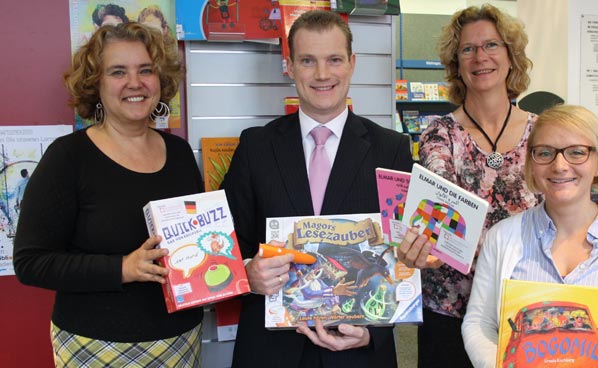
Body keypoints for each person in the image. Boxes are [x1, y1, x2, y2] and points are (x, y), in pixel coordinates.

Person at [220, 10, 412, 368]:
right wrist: (248, 272)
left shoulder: (392, 150)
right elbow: (227, 241)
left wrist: (374, 333)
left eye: (334, 60)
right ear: (289, 66)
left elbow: (404, 256)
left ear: (352, 64)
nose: (322, 74)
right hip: (271, 350)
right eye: (308, 61)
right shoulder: (256, 146)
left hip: (358, 350)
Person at [13, 23, 204, 367]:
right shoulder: (69, 157)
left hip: (180, 341)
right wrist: (122, 268)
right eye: (118, 72)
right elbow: (31, 263)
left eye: (146, 70)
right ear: (96, 84)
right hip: (95, 344)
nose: (135, 82)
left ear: (160, 79)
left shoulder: (179, 153)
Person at [462, 105, 598, 367]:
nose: (559, 165)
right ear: (532, 163)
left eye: (577, 152)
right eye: (545, 153)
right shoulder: (501, 238)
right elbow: (479, 323)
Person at [396, 5, 542, 367]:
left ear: (511, 56)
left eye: (492, 45)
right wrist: (417, 245)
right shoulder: (440, 134)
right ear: (456, 63)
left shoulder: (542, 132)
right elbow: (435, 215)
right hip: (449, 312)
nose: (481, 57)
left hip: (525, 309)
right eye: (468, 49)